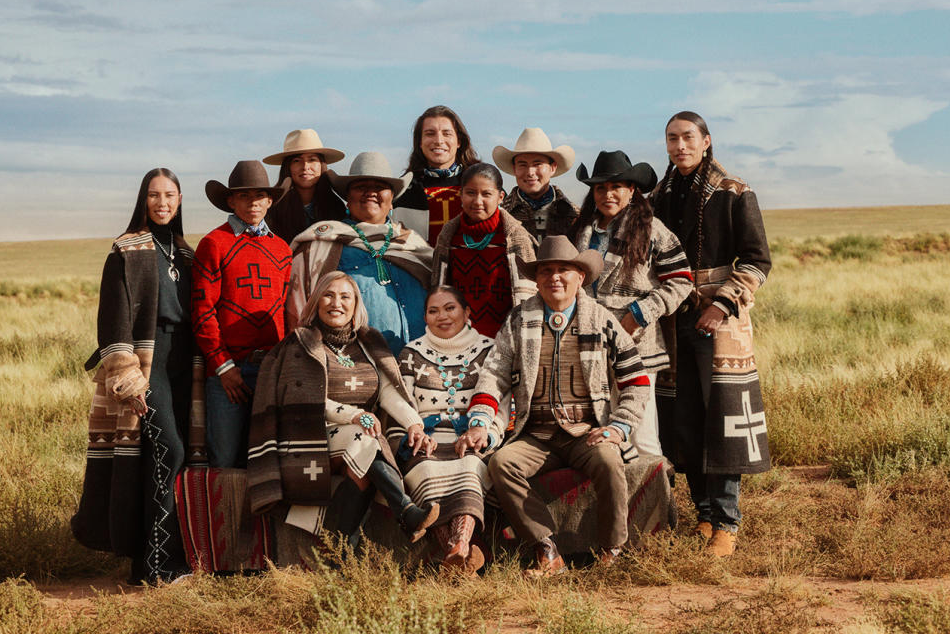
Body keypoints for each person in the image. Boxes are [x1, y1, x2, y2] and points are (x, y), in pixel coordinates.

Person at [468, 236, 651, 577]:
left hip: (586, 431)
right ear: (536, 279)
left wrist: (618, 427)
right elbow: (494, 373)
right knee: (503, 463)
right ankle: (546, 550)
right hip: (536, 434)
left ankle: (612, 549)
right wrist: (481, 419)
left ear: (580, 277)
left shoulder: (602, 320)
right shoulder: (519, 320)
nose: (555, 277)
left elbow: (636, 381)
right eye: (547, 270)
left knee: (609, 461)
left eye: (564, 270)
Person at [651, 111, 772, 557]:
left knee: (723, 419)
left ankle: (726, 521)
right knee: (684, 419)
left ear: (706, 141)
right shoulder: (660, 196)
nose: (679, 146)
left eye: (687, 137)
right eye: (671, 139)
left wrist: (721, 305)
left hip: (721, 320)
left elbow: (758, 260)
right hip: (672, 320)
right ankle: (702, 513)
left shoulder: (735, 192)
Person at [247, 271, 440, 553]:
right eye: (328, 294)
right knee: (362, 437)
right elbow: (303, 397)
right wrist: (353, 414)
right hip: (308, 434)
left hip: (359, 437)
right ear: (316, 302)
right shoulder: (301, 343)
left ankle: (339, 549)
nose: (336, 303)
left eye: (345, 296)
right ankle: (406, 510)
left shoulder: (368, 342)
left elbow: (387, 391)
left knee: (360, 468)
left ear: (355, 305)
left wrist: (414, 424)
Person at [71, 168, 201, 584]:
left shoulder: (186, 254)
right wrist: (128, 381)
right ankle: (158, 566)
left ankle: (159, 558)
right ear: (143, 200)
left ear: (180, 200)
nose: (162, 203)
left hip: (185, 364)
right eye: (153, 195)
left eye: (170, 195)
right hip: (148, 363)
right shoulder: (126, 250)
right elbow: (113, 322)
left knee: (166, 460)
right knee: (172, 451)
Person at [571, 150, 693, 456]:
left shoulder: (652, 231)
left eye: (616, 187)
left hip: (637, 344)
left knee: (641, 432)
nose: (608, 194)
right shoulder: (582, 232)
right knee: (602, 428)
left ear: (632, 190)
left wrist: (639, 315)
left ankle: (657, 499)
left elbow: (682, 280)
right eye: (600, 187)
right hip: (589, 342)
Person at [386, 286, 506, 573]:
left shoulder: (490, 350)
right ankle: (461, 555)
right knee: (426, 470)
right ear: (425, 317)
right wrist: (411, 433)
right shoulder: (411, 353)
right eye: (433, 310)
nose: (442, 316)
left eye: (450, 308)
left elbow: (503, 404)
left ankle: (456, 550)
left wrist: (486, 434)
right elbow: (401, 403)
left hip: (473, 434)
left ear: (467, 312)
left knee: (469, 467)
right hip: (425, 438)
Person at [192, 160, 292, 468]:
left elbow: (286, 311)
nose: (253, 202)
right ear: (231, 201)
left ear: (270, 200)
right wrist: (223, 367)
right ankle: (225, 517)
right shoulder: (214, 243)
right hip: (229, 372)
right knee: (225, 460)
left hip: (271, 370)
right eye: (244, 195)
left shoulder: (282, 249)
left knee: (267, 461)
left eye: (260, 195)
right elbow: (202, 310)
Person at [288, 152, 432, 355]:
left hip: (419, 365)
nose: (370, 192)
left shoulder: (416, 247)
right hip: (352, 368)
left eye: (379, 187)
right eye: (360, 187)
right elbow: (298, 311)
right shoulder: (322, 244)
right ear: (347, 199)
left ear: (392, 200)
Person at [430, 162, 537, 339]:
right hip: (459, 340)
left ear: (500, 197)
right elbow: (439, 287)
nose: (478, 201)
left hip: (507, 340)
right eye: (471, 193)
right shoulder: (448, 238)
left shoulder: (516, 238)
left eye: (486, 194)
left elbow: (529, 295)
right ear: (461, 195)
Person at [394, 105, 481, 245]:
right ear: (420, 143)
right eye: (430, 133)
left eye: (447, 133)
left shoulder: (482, 185)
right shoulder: (402, 191)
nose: (439, 140)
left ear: (459, 141)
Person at [493, 127, 579, 243]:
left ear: (552, 168)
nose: (530, 173)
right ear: (514, 169)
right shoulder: (500, 216)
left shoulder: (575, 216)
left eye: (537, 164)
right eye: (523, 165)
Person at [262, 128, 346, 244]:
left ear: (321, 165)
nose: (305, 166)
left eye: (312, 160)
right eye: (297, 161)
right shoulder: (272, 209)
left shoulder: (337, 207)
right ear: (288, 167)